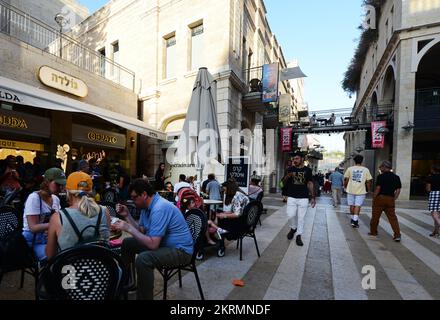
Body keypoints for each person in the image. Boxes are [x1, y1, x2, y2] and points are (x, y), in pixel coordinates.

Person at [112, 179, 193, 300]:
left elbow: (153, 245)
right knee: (128, 243)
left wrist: (128, 227)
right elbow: (141, 232)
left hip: (181, 251)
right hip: (164, 245)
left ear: (144, 195)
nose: (132, 201)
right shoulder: (146, 206)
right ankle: (124, 283)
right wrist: (127, 216)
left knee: (144, 259)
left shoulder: (160, 208)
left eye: (134, 198)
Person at [45, 172, 111, 259]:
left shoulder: (58, 217)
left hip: (70, 271)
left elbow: (50, 255)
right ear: (91, 190)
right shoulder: (104, 211)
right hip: (102, 270)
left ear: (67, 191)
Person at [22, 168, 66, 262]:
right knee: (55, 258)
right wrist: (53, 226)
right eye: (57, 184)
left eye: (62, 185)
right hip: (33, 240)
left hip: (49, 237)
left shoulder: (55, 199)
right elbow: (33, 227)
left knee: (69, 254)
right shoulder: (34, 198)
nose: (61, 188)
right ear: (47, 182)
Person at [282, 152, 316, 247]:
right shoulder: (290, 169)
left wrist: (313, 197)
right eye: (293, 159)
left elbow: (310, 183)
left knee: (301, 218)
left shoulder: (308, 170)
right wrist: (287, 176)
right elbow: (282, 183)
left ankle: (298, 235)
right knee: (290, 215)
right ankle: (293, 228)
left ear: (302, 159)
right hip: (292, 196)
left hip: (303, 197)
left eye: (296, 159)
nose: (294, 161)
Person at [369, 161, 402, 242]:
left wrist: (374, 197)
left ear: (384, 167)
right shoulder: (396, 177)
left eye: (381, 167)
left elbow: (378, 188)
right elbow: (398, 189)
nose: (380, 168)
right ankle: (397, 235)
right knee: (393, 218)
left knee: (375, 217)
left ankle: (373, 232)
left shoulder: (381, 176)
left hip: (380, 198)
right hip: (390, 198)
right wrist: (394, 198)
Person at [344, 155, 373, 229]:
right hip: (361, 191)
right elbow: (368, 181)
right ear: (362, 161)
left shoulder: (350, 169)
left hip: (350, 190)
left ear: (354, 161)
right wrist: (369, 189)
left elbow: (346, 179)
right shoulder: (365, 170)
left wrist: (345, 186)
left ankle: (352, 219)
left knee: (351, 205)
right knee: (357, 205)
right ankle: (355, 221)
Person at [426, 164, 440, 238]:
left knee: (434, 214)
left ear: (433, 170)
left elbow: (428, 188)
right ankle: (436, 231)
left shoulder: (430, 177)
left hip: (434, 195)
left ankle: (437, 230)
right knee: (438, 215)